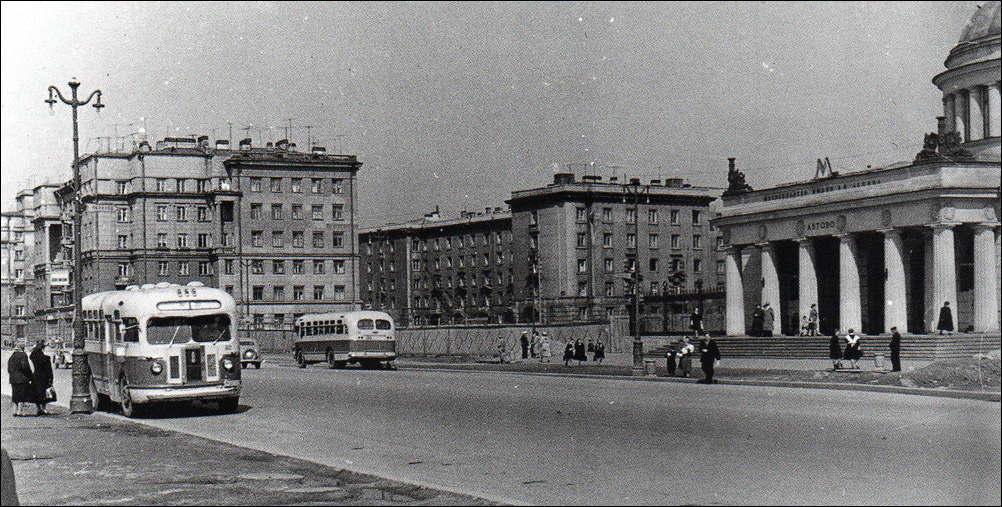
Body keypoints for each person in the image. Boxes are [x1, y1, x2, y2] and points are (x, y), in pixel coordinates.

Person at [7, 343, 35, 417]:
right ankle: (20, 411)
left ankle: (14, 411)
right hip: (22, 378)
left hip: (13, 379)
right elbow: (25, 367)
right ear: (23, 349)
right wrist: (30, 376)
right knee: (21, 395)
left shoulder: (12, 357)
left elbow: (9, 369)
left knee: (15, 395)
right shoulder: (23, 355)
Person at [29, 340, 54, 416]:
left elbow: (31, 355)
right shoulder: (46, 358)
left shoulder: (33, 357)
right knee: (44, 393)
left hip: (36, 376)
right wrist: (51, 378)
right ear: (43, 349)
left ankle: (39, 409)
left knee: (36, 393)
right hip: (44, 377)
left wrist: (34, 348)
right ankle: (44, 409)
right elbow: (49, 370)